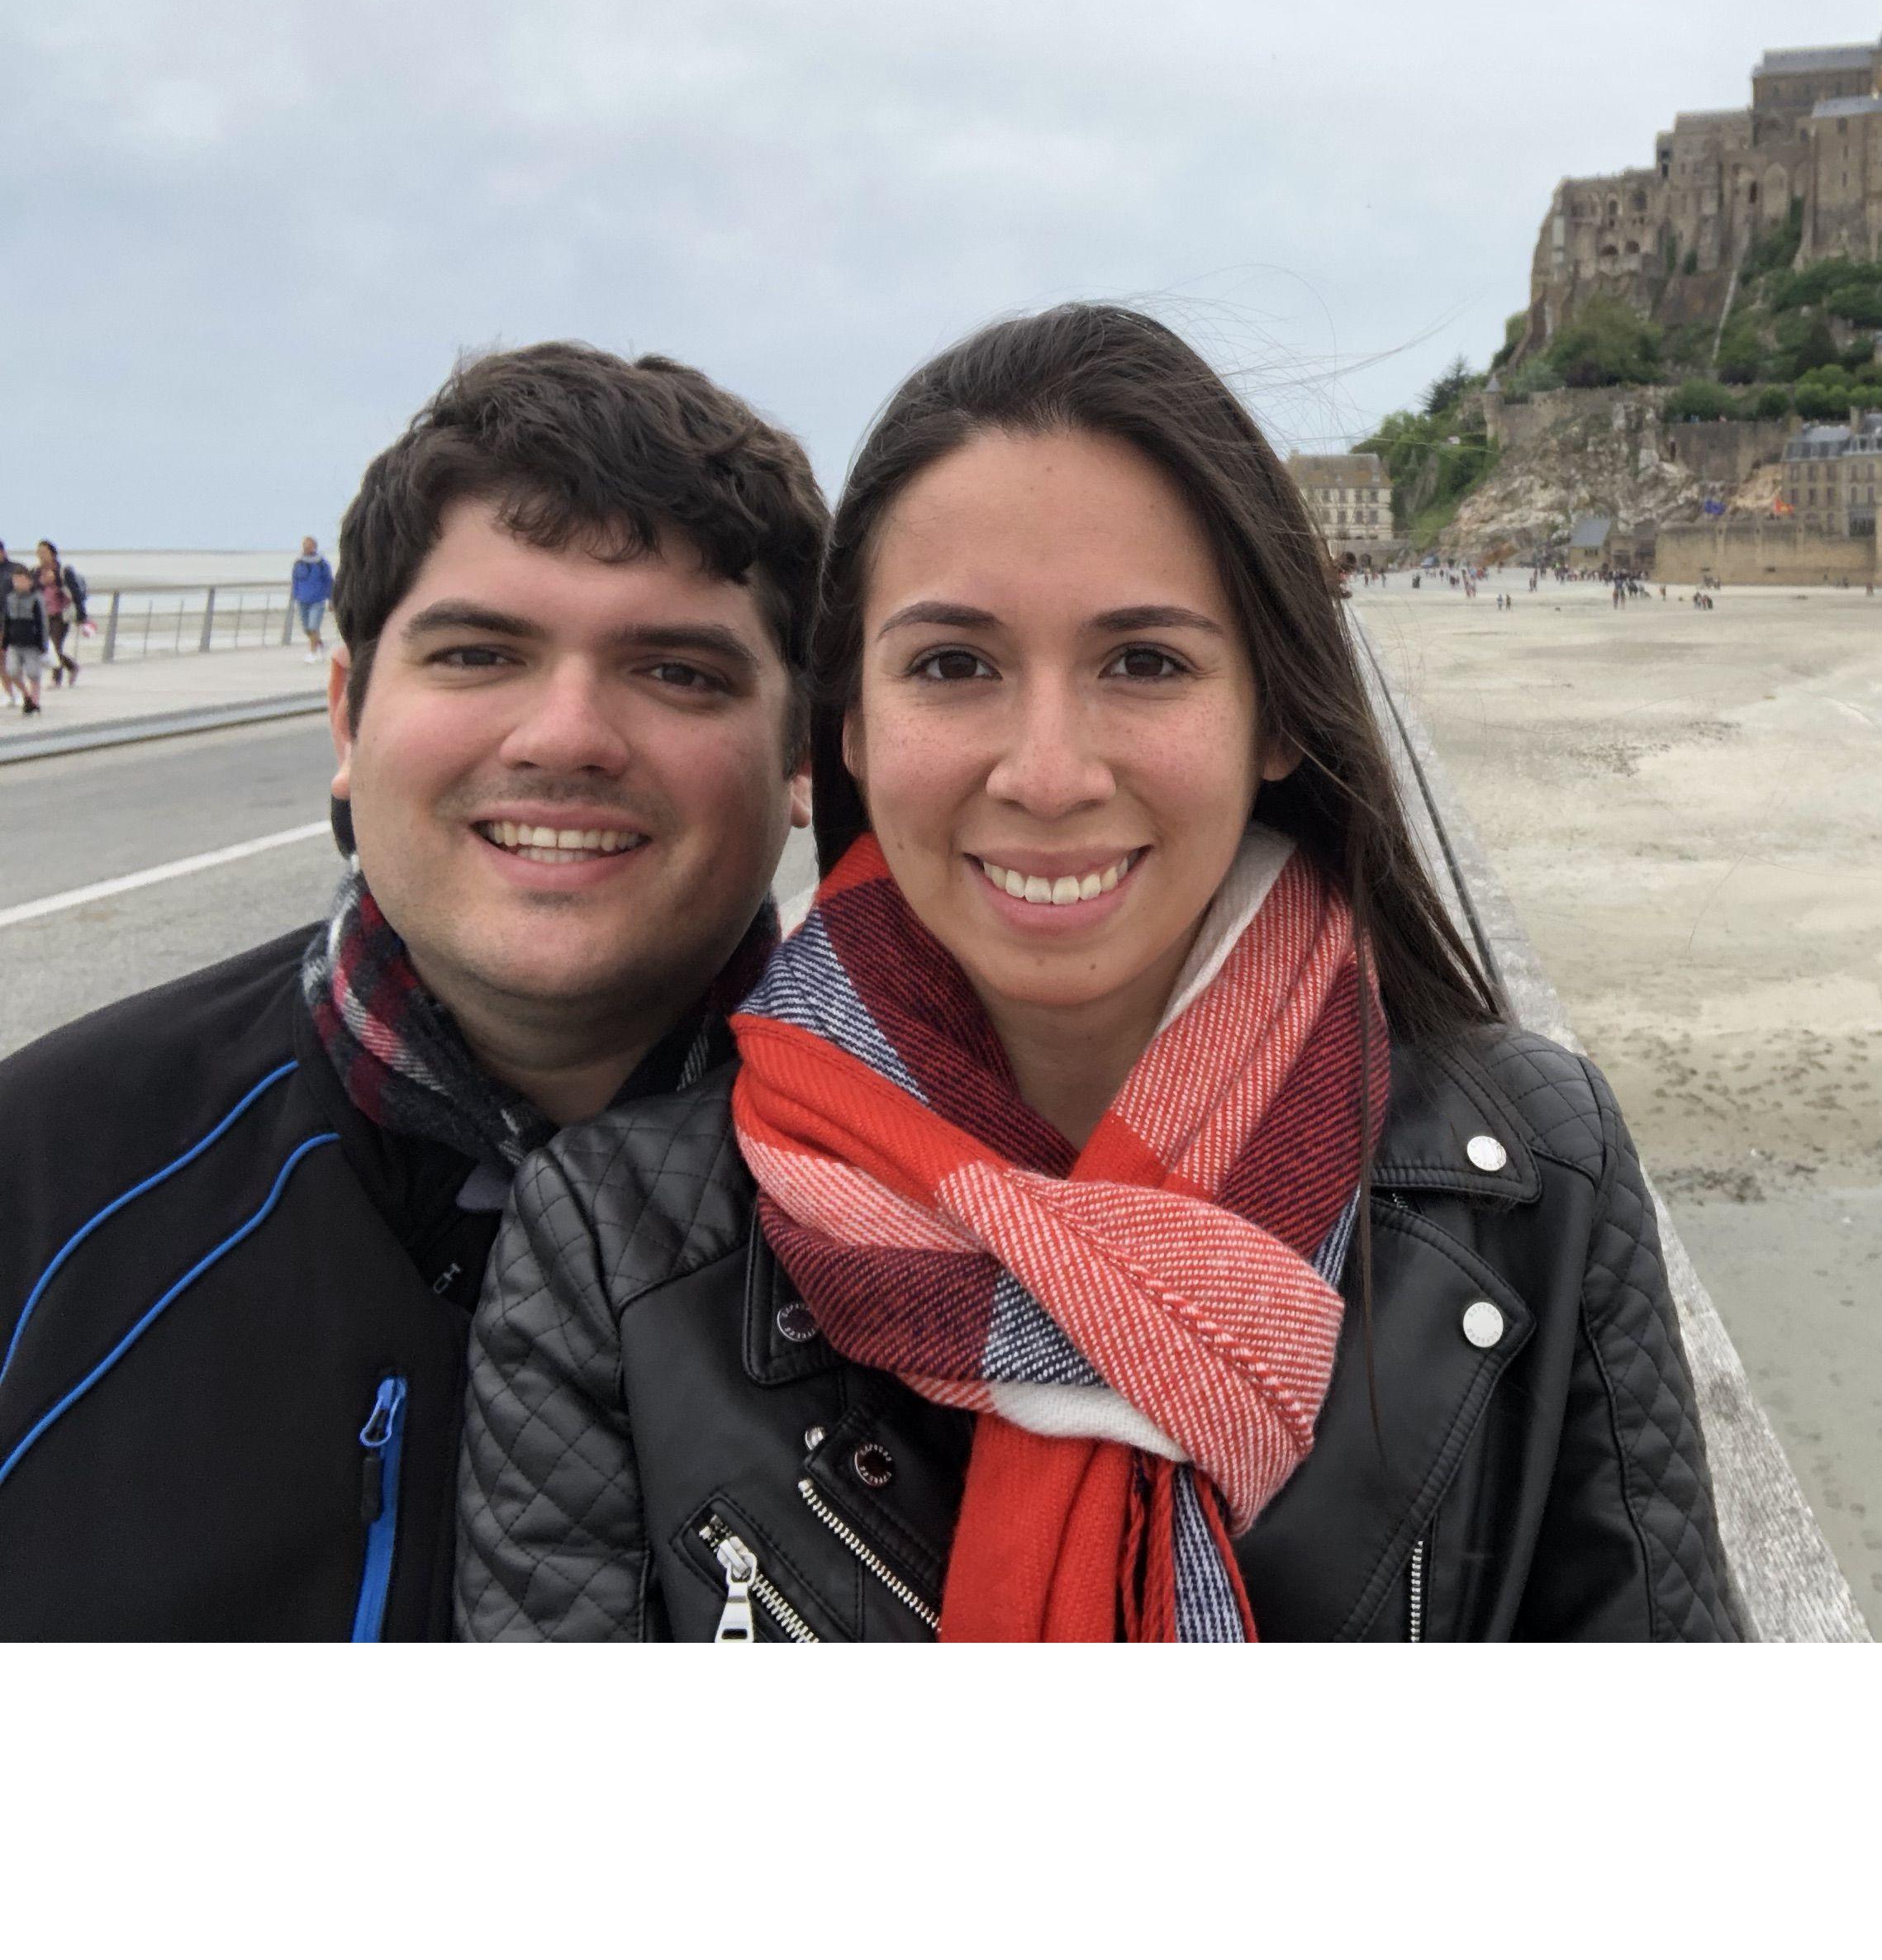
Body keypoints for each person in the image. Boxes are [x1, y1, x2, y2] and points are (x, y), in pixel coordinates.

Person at [457, 306, 1739, 1643]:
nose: (1049, 771)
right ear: (849, 722)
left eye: (1143, 661)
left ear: (1276, 715)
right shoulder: (614, 1247)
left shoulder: (1533, 1175)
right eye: (954, 665)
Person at [0, 344, 829, 1638]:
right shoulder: (48, 1176)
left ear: (803, 762)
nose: (565, 735)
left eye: (678, 672)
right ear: (347, 718)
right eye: (477, 655)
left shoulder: (954, 1228)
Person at [34, 543, 84, 688]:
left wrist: (81, 616)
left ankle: (56, 679)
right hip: (43, 615)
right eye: (39, 552)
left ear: (52, 554)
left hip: (61, 615)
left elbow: (76, 593)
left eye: (44, 552)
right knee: (45, 647)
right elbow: (31, 590)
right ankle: (72, 666)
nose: (41, 555)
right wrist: (41, 583)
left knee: (55, 646)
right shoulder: (36, 572)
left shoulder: (63, 571)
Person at [2, 560, 45, 716]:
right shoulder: (10, 599)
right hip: (14, 642)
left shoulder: (35, 598)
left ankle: (34, 701)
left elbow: (42, 623)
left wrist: (42, 643)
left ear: (29, 581)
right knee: (12, 671)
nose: (18, 584)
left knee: (33, 673)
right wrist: (5, 642)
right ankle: (26, 695)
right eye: (16, 581)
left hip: (31, 642)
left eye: (21, 580)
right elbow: (7, 621)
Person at [291, 533, 335, 659]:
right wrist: (296, 595)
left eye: (309, 545)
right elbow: (295, 580)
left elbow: (329, 582)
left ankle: (312, 652)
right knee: (306, 629)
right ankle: (320, 644)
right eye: (304, 545)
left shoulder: (322, 564)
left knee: (313, 626)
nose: (306, 548)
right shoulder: (299, 563)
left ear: (314, 546)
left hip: (318, 600)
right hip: (302, 600)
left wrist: (331, 599)